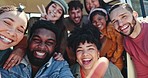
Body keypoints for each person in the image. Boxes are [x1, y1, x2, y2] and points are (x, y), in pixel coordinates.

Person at [3, 0, 69, 69]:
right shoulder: (33, 21)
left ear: (61, 16)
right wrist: (20, 49)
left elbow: (61, 50)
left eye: (59, 11)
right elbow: (24, 38)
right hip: (27, 57)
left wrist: (59, 55)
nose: (54, 11)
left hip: (49, 61)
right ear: (48, 6)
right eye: (53, 7)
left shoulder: (62, 30)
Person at [0, 20, 74, 78]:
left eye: (49, 43)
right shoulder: (11, 60)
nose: (41, 47)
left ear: (55, 46)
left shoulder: (60, 65)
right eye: (37, 40)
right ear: (29, 40)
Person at [109, 3, 148, 78]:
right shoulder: (127, 42)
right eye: (115, 21)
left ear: (135, 15)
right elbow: (143, 74)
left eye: (124, 16)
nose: (120, 24)